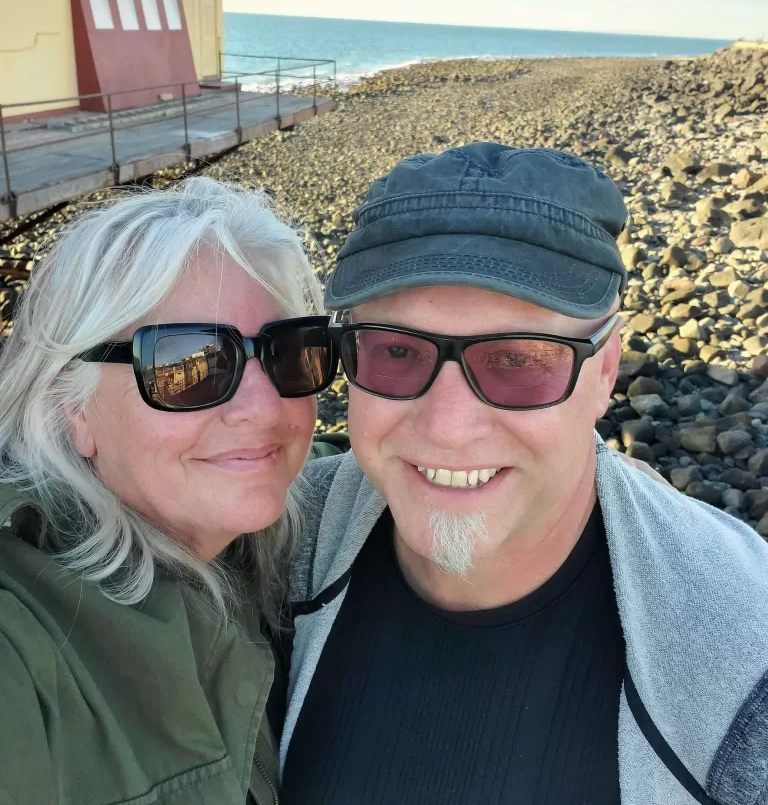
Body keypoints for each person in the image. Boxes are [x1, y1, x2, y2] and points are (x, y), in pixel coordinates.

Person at [280, 143, 768, 805]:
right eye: (396, 352)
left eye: (519, 360)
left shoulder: (743, 653)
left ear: (603, 372)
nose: (448, 426)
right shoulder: (270, 552)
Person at [0, 177, 339, 805]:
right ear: (70, 406)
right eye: (190, 365)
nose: (264, 410)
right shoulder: (20, 636)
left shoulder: (254, 514)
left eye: (288, 352)